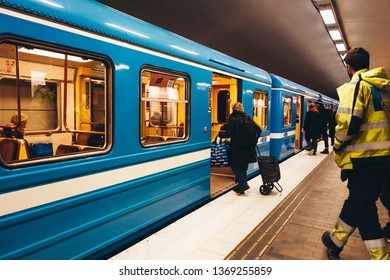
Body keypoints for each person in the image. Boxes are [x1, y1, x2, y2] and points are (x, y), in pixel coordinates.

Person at [321, 47, 390, 260]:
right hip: (384, 160)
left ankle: (381, 259)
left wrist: (338, 146)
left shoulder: (356, 86)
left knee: (365, 211)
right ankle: (335, 241)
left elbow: (347, 124)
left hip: (363, 161)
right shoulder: (384, 89)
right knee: (358, 200)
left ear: (348, 68)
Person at [219, 102, 261, 194]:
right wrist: (255, 140)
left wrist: (220, 134)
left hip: (237, 148)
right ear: (242, 109)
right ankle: (241, 188)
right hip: (249, 148)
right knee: (243, 167)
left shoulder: (233, 119)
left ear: (233, 109)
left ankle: (242, 184)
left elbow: (229, 133)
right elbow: (259, 129)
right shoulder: (248, 118)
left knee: (234, 165)